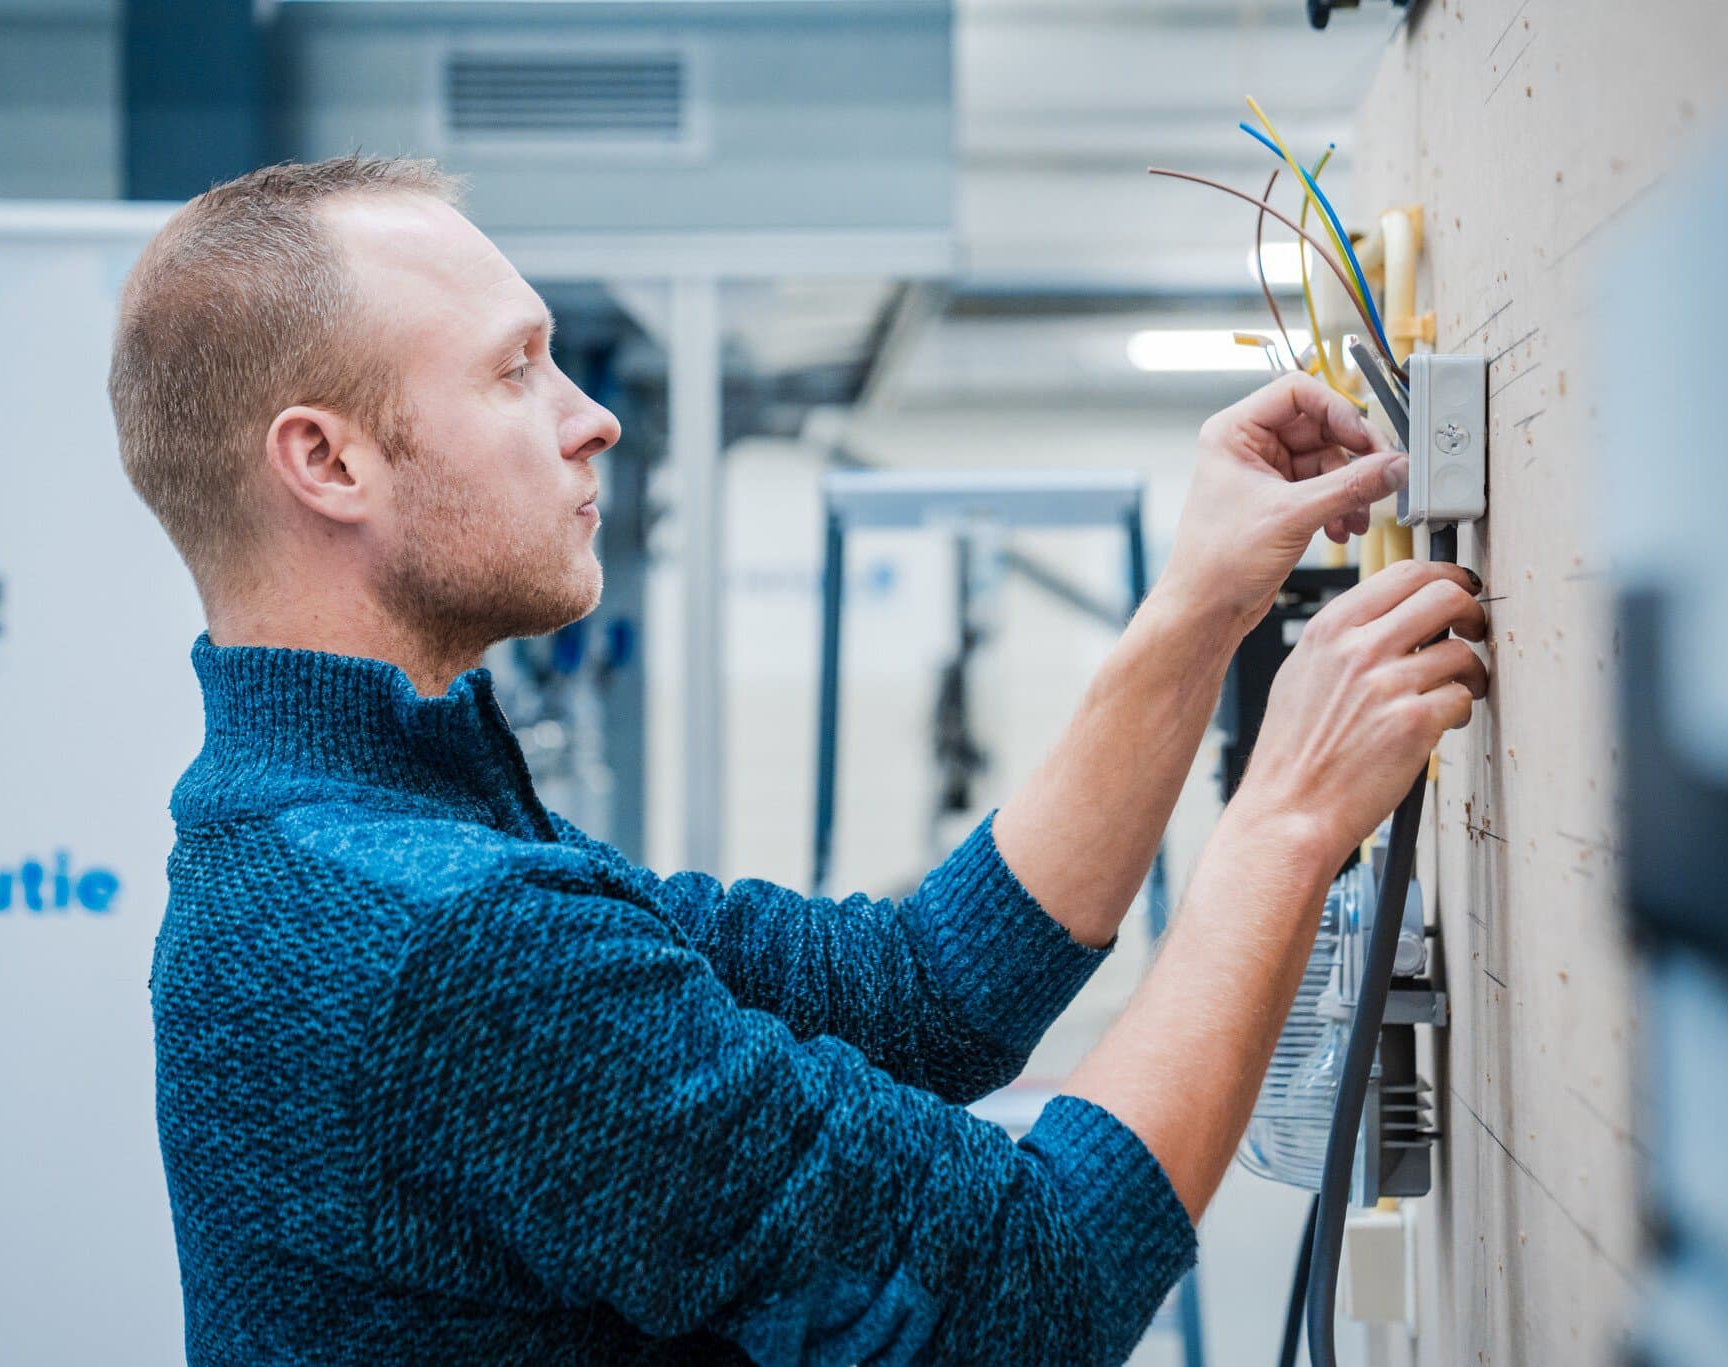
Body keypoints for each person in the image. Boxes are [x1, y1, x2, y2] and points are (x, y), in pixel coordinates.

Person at [110, 156, 1487, 1366]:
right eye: (514, 369)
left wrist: (1197, 610)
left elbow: (921, 991)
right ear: (326, 462)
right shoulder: (440, 933)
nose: (592, 417)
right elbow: (1022, 1295)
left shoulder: (334, 836)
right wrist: (1284, 821)